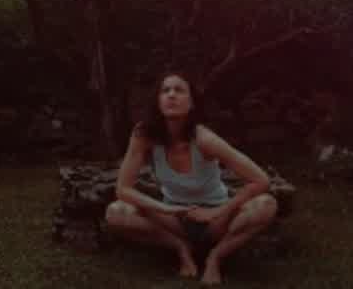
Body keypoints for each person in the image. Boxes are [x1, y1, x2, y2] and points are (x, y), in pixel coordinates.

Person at [105, 72, 278, 285]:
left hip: (215, 221)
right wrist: (164, 208)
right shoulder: (144, 135)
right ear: (158, 101)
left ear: (191, 103)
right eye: (165, 90)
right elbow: (123, 189)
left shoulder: (204, 139)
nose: (171, 95)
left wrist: (217, 212)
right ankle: (179, 246)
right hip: (173, 220)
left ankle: (215, 256)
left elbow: (261, 180)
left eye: (179, 90)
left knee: (266, 204)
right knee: (115, 212)